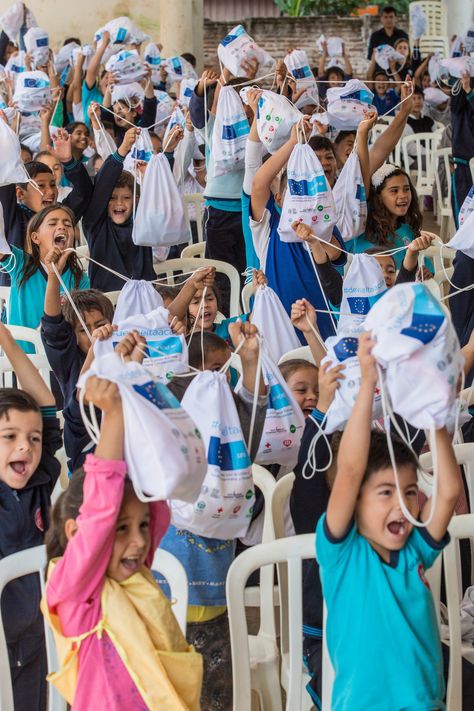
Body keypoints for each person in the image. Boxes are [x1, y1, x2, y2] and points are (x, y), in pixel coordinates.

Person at [43, 332, 203, 711]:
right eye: (122, 529)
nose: (139, 542)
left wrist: (130, 379)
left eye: (142, 527)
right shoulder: (78, 592)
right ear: (75, 534)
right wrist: (113, 413)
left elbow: (155, 494)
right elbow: (101, 511)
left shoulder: (133, 575)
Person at [317, 332, 462, 710]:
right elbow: (350, 470)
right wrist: (367, 384)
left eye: (410, 491)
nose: (402, 504)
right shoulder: (343, 556)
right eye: (385, 492)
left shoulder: (415, 549)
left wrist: (435, 418)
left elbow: (447, 493)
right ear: (355, 502)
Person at [162, 321, 268, 711]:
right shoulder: (162, 444)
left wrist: (252, 360)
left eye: (224, 370)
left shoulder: (229, 446)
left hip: (215, 599)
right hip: (162, 600)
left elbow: (253, 422)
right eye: (207, 372)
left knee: (216, 694)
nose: (216, 381)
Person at [0, 321, 61, 711]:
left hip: (37, 641)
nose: (25, 446)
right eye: (9, 437)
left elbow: (46, 408)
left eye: (33, 438)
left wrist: (6, 342)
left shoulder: (39, 479)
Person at [0, 205, 89, 352]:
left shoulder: (79, 278)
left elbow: (84, 323)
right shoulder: (22, 264)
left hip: (60, 362)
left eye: (68, 224)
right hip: (25, 360)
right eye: (53, 223)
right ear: (36, 238)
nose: (62, 227)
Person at [81, 127, 156, 291]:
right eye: (112, 198)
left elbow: (158, 197)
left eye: (126, 198)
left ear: (136, 200)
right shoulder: (95, 225)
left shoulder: (142, 222)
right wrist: (122, 150)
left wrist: (169, 153)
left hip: (144, 302)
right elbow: (102, 185)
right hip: (107, 304)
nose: (119, 204)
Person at [0, 126, 92, 252]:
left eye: (53, 184)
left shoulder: (62, 213)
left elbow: (84, 191)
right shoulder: (11, 216)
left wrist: (68, 162)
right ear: (20, 193)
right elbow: (5, 175)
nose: (50, 191)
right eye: (41, 186)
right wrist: (6, 136)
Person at [346, 163, 423, 268]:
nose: (403, 195)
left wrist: (425, 270)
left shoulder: (407, 231)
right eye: (394, 191)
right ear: (379, 197)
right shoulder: (361, 232)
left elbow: (420, 262)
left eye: (406, 189)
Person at [451, 71, 474, 226]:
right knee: (464, 212)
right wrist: (467, 90)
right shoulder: (459, 108)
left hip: (464, 161)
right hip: (464, 163)